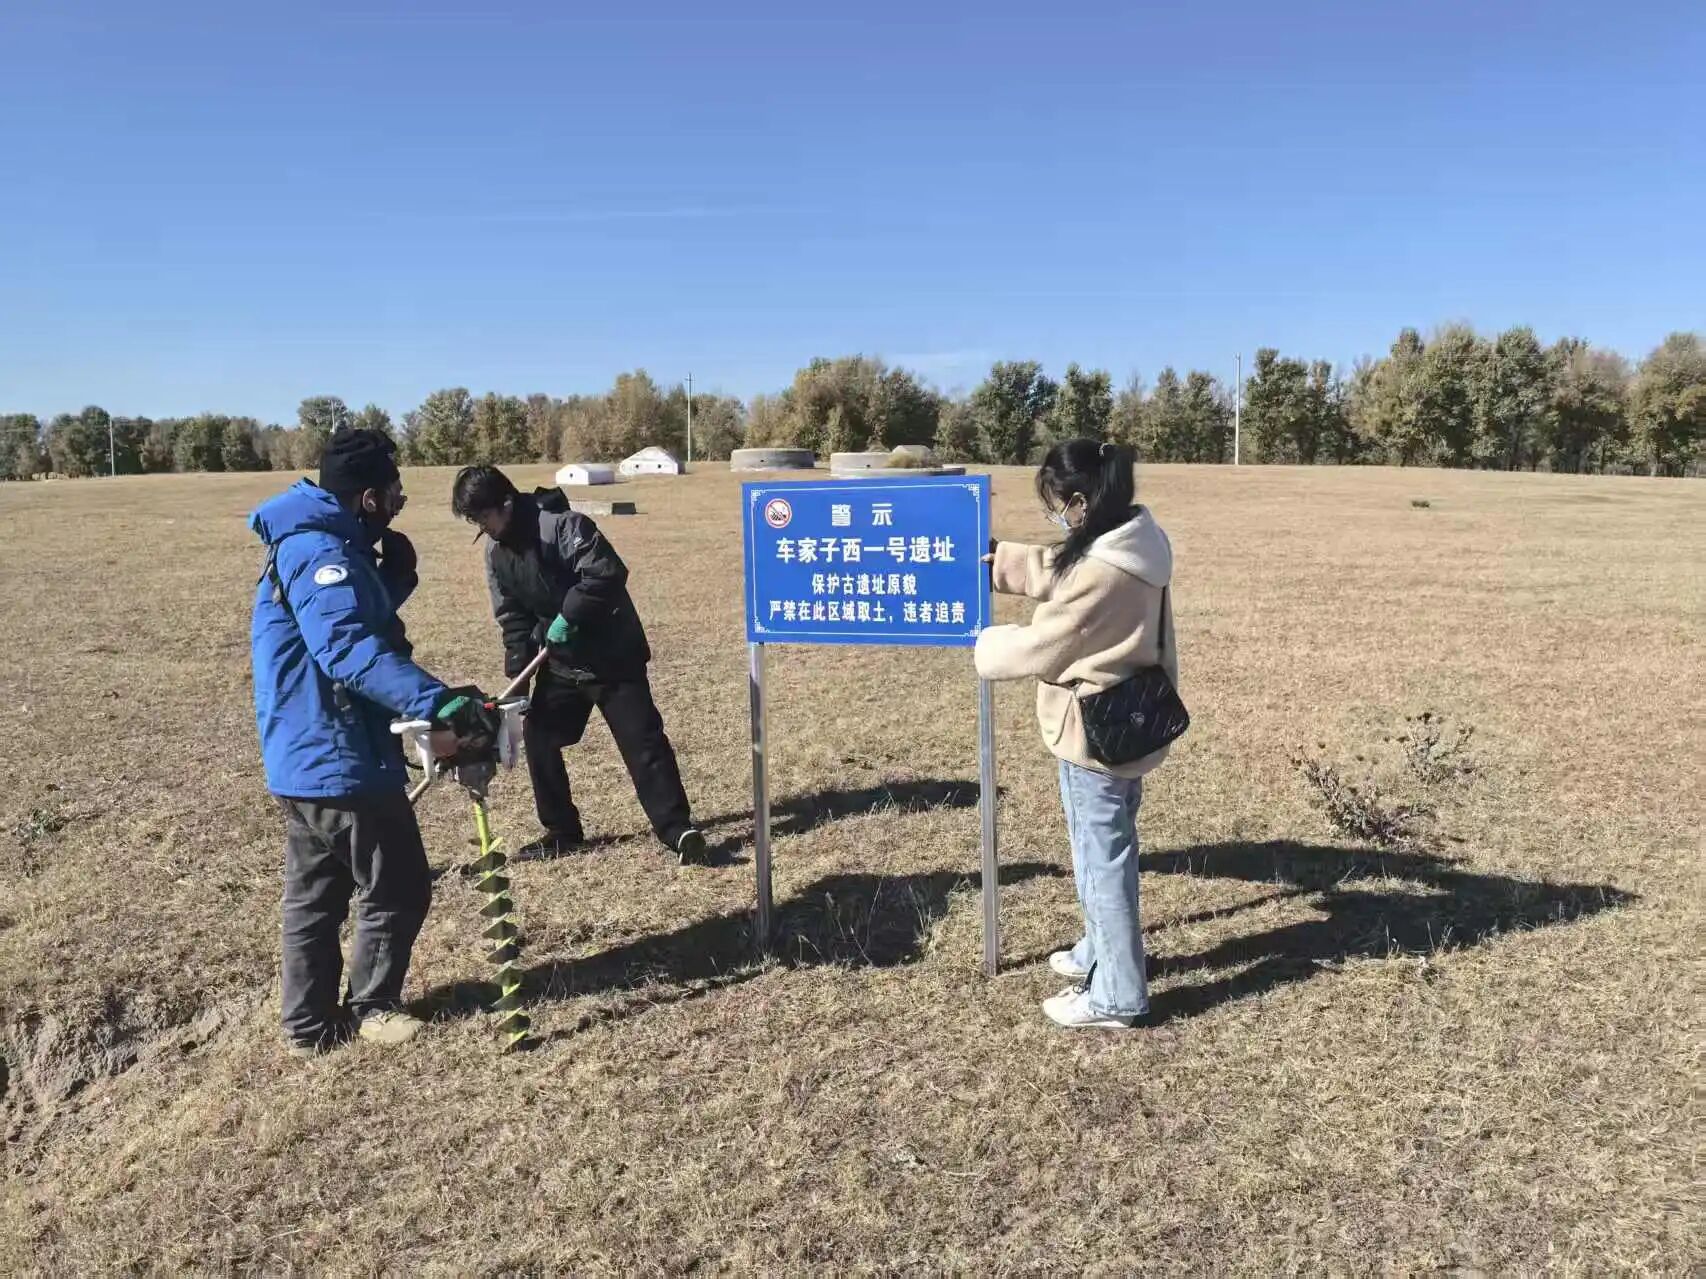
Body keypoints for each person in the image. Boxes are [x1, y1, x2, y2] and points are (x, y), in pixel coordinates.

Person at [250, 428, 497, 1057]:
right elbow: (344, 646)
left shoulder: (314, 543)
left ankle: (307, 1026)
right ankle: (373, 1007)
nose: (398, 502)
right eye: (394, 492)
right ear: (366, 498)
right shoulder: (318, 553)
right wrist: (437, 702)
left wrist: (394, 580)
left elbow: (344, 616)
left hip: (305, 756)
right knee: (399, 882)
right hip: (338, 755)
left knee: (317, 894)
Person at [974, 438, 1177, 1030]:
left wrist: (983, 642)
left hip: (1094, 732)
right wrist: (1000, 560)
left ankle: (1117, 996)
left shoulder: (1101, 572)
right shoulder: (1138, 538)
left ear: (1081, 502)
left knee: (1101, 860)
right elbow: (1065, 569)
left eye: (1056, 506)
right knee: (1108, 849)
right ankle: (1099, 950)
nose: (1054, 518)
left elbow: (1045, 642)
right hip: (1133, 718)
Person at [449, 464, 709, 865]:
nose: (482, 527)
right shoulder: (495, 553)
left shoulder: (564, 526)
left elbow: (605, 574)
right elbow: (512, 616)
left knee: (643, 743)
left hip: (612, 656)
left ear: (506, 503)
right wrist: (518, 674)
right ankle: (562, 830)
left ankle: (677, 830)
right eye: (474, 520)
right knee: (540, 737)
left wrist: (568, 616)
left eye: (484, 516)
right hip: (562, 664)